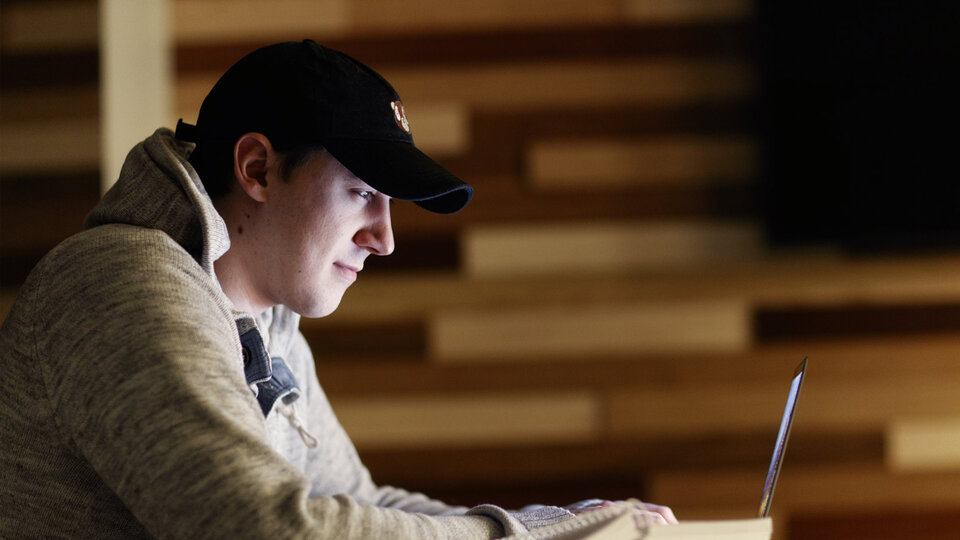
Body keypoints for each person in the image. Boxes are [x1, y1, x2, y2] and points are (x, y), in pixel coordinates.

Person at [0, 40, 675, 538]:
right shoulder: (125, 284)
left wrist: (558, 524)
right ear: (258, 169)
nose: (384, 238)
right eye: (360, 194)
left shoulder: (264, 320)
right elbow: (264, 529)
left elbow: (353, 500)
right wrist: (540, 537)